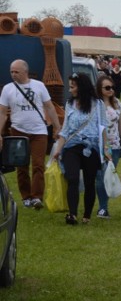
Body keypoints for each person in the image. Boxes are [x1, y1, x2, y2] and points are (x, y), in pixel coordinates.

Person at [0, 59, 62, 209]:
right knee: (21, 166)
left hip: (39, 131)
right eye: (12, 72)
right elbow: (2, 113)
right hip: (18, 131)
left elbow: (49, 107)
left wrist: (57, 127)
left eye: (17, 72)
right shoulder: (7, 89)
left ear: (25, 72)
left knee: (38, 165)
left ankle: (37, 197)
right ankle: (26, 196)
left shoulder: (39, 86)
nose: (14, 75)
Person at [50, 73, 109, 225]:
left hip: (91, 147)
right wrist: (58, 149)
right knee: (73, 178)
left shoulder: (98, 104)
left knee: (90, 182)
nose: (70, 90)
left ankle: (87, 215)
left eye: (73, 87)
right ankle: (72, 214)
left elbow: (103, 128)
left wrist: (106, 149)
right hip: (72, 146)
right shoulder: (70, 104)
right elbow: (66, 130)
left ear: (81, 87)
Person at [94, 75, 121, 219]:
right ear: (100, 89)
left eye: (112, 87)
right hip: (98, 145)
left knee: (107, 175)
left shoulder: (116, 103)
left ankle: (103, 207)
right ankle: (102, 208)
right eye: (107, 88)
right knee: (99, 177)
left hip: (114, 146)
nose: (111, 90)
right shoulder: (95, 104)